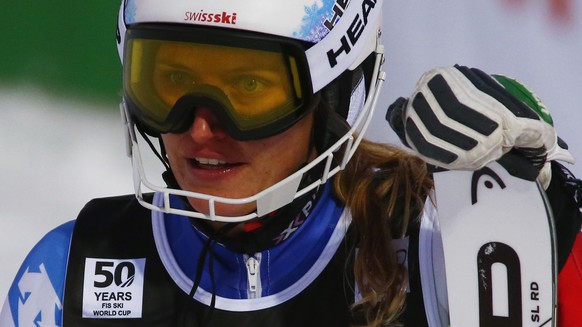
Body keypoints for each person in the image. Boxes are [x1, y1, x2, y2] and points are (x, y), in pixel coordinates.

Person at [1, 1, 581, 326]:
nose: (200, 128)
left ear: (335, 99)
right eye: (171, 81)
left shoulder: (445, 248)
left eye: (248, 87)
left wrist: (555, 217)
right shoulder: (68, 274)